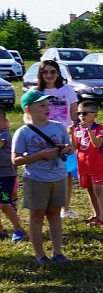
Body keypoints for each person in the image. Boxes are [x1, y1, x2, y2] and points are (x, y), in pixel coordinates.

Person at [11, 90, 73, 263]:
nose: (47, 108)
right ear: (29, 109)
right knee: (36, 217)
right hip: (36, 179)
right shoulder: (23, 132)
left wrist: (67, 148)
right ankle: (40, 255)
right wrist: (41, 155)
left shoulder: (58, 126)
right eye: (42, 105)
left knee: (54, 215)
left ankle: (58, 252)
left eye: (48, 105)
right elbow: (15, 160)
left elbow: (70, 147)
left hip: (58, 177)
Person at [34, 60, 80, 219]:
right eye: (45, 72)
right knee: (44, 173)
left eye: (52, 71)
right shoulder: (36, 92)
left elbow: (74, 116)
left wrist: (75, 136)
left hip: (64, 138)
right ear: (40, 74)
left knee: (66, 174)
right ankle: (45, 207)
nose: (49, 75)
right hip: (41, 139)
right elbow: (29, 116)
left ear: (58, 73)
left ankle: (64, 209)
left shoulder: (67, 90)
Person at [72, 102, 103, 226]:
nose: (81, 116)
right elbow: (75, 146)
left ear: (95, 115)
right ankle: (96, 214)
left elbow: (97, 143)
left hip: (95, 164)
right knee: (90, 190)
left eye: (85, 113)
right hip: (83, 165)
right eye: (79, 113)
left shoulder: (99, 128)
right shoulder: (77, 129)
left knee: (98, 189)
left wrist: (89, 130)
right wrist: (70, 134)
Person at [0, 109, 28, 242]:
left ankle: (18, 229)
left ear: (5, 122)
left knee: (4, 204)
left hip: (5, 175)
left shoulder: (4, 134)